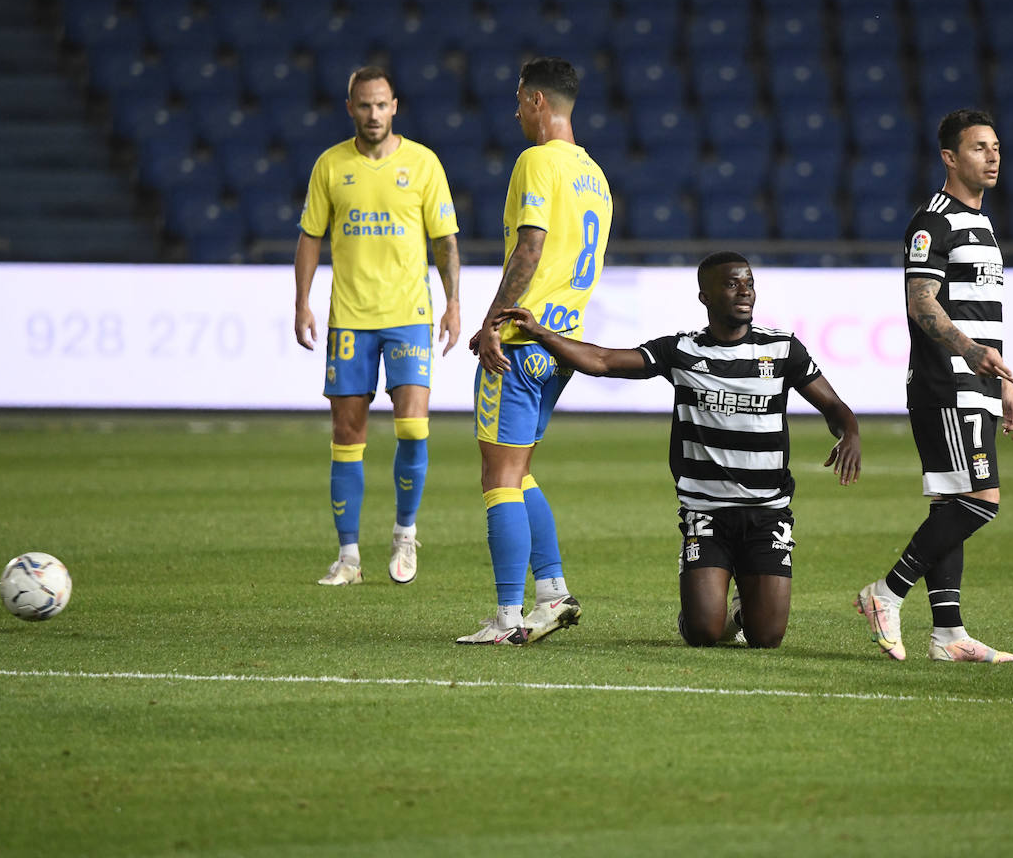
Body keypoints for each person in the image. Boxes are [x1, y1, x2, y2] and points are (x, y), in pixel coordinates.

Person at [499, 251, 861, 648]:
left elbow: (833, 406)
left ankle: (743, 606)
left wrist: (850, 433)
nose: (745, 292)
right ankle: (702, 607)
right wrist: (540, 334)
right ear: (705, 296)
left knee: (766, 638)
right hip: (706, 514)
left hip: (767, 514)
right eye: (732, 284)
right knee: (704, 632)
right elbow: (602, 361)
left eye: (749, 283)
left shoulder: (783, 350)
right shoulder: (682, 352)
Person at [854, 108, 1013, 664]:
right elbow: (920, 302)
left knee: (951, 504)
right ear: (950, 158)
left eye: (996, 146)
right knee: (981, 503)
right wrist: (972, 355)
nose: (993, 155)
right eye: (980, 147)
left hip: (974, 384)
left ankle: (948, 634)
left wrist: (1003, 385)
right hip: (945, 382)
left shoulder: (982, 223)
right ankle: (885, 593)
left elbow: (982, 316)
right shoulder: (936, 220)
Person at [459, 56, 612, 645]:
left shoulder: (536, 161)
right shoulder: (595, 175)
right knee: (520, 471)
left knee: (498, 476)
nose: (517, 110)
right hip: (560, 344)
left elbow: (529, 248)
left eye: (519, 99)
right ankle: (552, 591)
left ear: (537, 101)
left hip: (520, 341)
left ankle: (507, 618)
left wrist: (492, 322)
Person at [294, 65, 461, 587]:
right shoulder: (330, 166)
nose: (373, 114)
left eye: (381, 104)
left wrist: (454, 303)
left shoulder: (424, 164)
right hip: (350, 318)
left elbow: (445, 241)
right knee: (348, 433)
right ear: (351, 109)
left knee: (413, 426)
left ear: (395, 106)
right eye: (364, 105)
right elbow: (309, 238)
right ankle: (348, 557)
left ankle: (405, 534)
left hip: (410, 314)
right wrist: (302, 302)